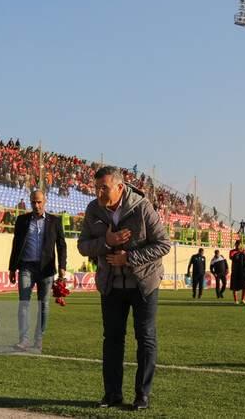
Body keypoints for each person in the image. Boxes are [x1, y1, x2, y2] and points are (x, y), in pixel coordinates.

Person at [77, 166, 170, 411]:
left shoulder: (142, 207)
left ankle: (143, 395)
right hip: (111, 285)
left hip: (144, 284)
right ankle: (112, 395)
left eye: (104, 187)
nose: (99, 192)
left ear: (120, 187)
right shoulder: (93, 210)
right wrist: (106, 242)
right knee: (112, 340)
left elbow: (163, 244)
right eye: (96, 187)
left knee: (146, 338)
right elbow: (83, 246)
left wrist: (129, 258)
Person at [9, 190, 67, 353]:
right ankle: (24, 340)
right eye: (34, 202)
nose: (36, 205)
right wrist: (12, 268)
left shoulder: (55, 221)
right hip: (26, 267)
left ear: (45, 201)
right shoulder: (22, 220)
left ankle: (38, 339)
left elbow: (62, 245)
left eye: (39, 202)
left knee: (44, 305)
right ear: (30, 202)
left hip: (46, 269)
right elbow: (16, 245)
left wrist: (62, 266)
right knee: (24, 303)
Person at [229, 240, 245, 305]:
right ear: (235, 244)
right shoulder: (232, 251)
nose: (238, 245)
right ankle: (235, 300)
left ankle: (243, 299)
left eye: (240, 244)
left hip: (242, 272)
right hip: (235, 271)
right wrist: (239, 252)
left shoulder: (244, 253)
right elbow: (231, 257)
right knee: (234, 287)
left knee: (244, 286)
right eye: (237, 244)